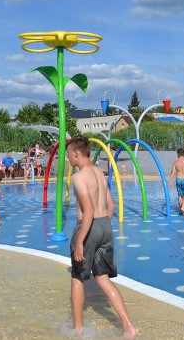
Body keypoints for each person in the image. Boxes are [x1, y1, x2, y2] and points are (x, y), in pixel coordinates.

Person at [66, 136, 138, 339]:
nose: (68, 159)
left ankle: (78, 330)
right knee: (102, 277)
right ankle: (128, 327)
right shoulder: (99, 172)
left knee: (78, 277)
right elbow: (111, 205)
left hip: (88, 228)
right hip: (105, 224)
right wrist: (102, 227)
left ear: (77, 154)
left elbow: (87, 210)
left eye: (69, 155)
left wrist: (80, 241)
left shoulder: (79, 177)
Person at [169, 148, 184, 215]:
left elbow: (172, 173)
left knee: (180, 195)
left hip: (178, 180)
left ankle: (181, 210)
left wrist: (170, 182)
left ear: (177, 154)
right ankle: (183, 208)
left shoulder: (176, 162)